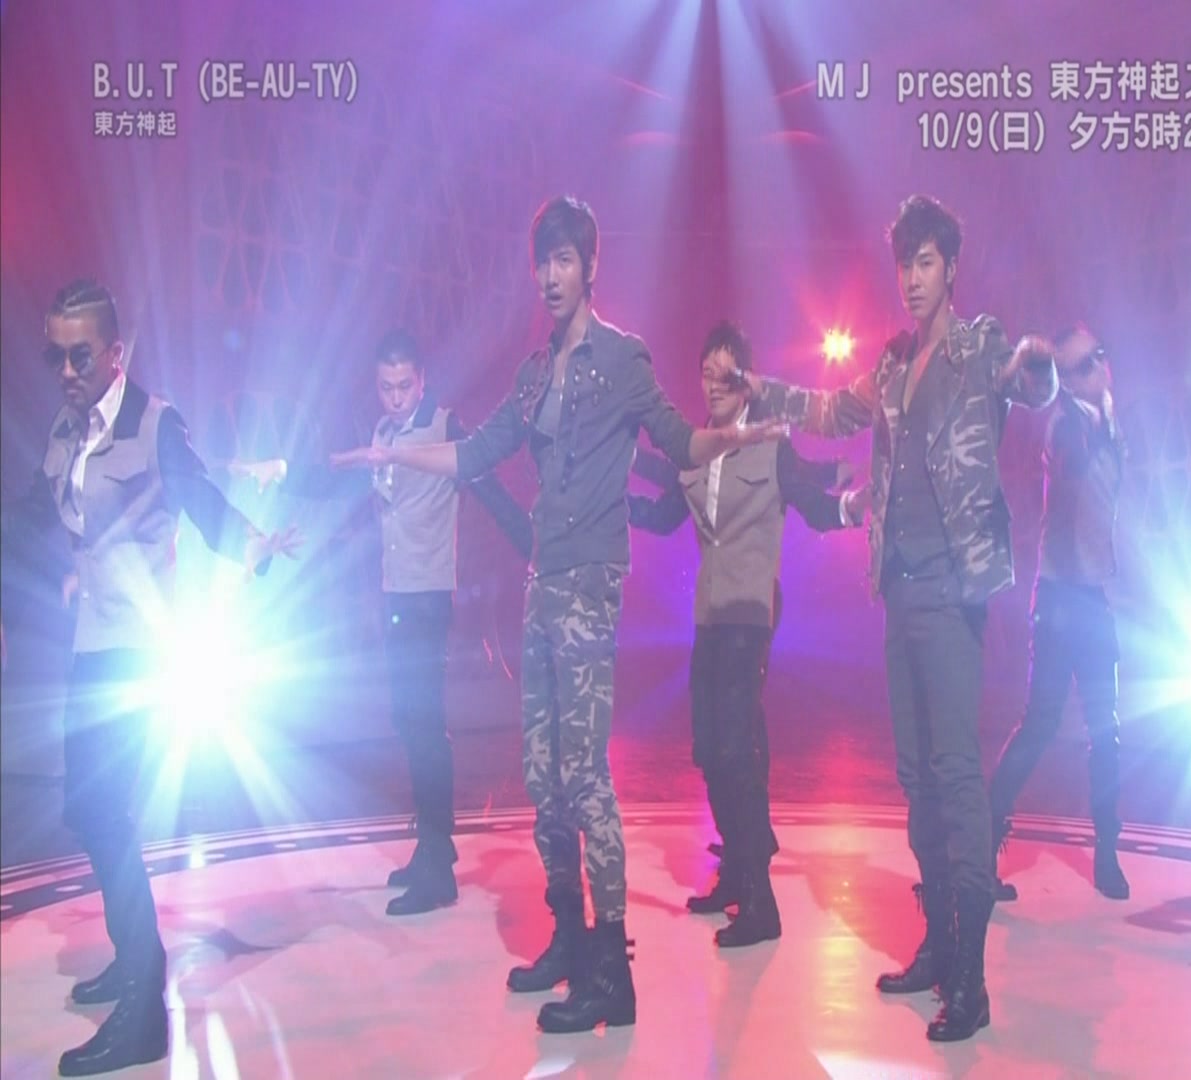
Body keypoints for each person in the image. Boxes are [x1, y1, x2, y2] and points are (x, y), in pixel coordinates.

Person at [331, 196, 783, 1033]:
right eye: (542, 260)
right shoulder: (535, 372)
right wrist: (394, 452)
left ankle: (611, 971)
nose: (549, 275)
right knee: (542, 777)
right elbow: (477, 451)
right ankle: (569, 938)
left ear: (590, 267)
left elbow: (677, 439)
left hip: (589, 583)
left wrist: (732, 439)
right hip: (543, 583)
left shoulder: (622, 358)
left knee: (584, 777)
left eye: (564, 259)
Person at [743, 194, 1057, 1042]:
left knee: (956, 778)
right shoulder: (890, 366)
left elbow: (1031, 383)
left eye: (925, 263)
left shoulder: (978, 347)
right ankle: (938, 946)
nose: (912, 279)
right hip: (901, 591)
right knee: (917, 779)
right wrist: (763, 390)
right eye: (904, 265)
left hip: (954, 594)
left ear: (950, 268)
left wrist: (1040, 365)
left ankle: (972, 979)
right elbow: (828, 412)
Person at [1, 279, 299, 1077]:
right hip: (92, 645)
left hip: (139, 648)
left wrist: (254, 546)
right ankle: (135, 960)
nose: (66, 371)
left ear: (114, 353)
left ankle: (142, 1005)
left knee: (100, 811)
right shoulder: (67, 430)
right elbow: (31, 515)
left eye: (80, 355)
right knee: (92, 810)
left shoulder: (154, 422)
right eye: (55, 356)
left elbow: (201, 499)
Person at [235, 328, 532, 916]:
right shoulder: (383, 433)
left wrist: (535, 545)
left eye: (403, 386)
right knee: (408, 721)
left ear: (421, 380)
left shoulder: (445, 426)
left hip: (429, 595)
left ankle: (439, 863)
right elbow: (340, 475)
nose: (395, 397)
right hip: (396, 592)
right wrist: (283, 472)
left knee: (425, 723)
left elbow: (489, 487)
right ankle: (430, 848)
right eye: (386, 387)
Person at [627, 319, 859, 948]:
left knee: (735, 750)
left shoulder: (771, 448)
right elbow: (662, 515)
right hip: (708, 615)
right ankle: (735, 868)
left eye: (727, 376)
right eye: (707, 374)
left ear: (746, 383)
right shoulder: (696, 450)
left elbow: (814, 502)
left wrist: (855, 505)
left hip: (751, 614)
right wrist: (607, 503)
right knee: (709, 750)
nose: (715, 385)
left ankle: (761, 902)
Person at [988, 324, 1130, 902]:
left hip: (1092, 596)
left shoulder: (1111, 418)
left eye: (1099, 356)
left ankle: (1108, 852)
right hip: (1058, 596)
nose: (1097, 367)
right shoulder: (1066, 425)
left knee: (1106, 730)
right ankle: (985, 838)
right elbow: (1068, 462)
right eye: (1081, 365)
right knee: (1042, 722)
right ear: (1066, 381)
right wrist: (1085, 432)